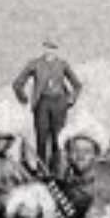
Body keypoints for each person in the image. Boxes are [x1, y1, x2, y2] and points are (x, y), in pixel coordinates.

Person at [12, 39, 83, 177]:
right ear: (43, 48)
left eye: (53, 47)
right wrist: (23, 98)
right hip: (42, 103)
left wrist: (70, 100)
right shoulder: (35, 64)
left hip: (59, 103)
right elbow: (17, 83)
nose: (50, 50)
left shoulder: (63, 64)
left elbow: (77, 85)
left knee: (58, 138)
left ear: (57, 49)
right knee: (42, 138)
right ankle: (42, 171)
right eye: (48, 47)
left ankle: (58, 171)